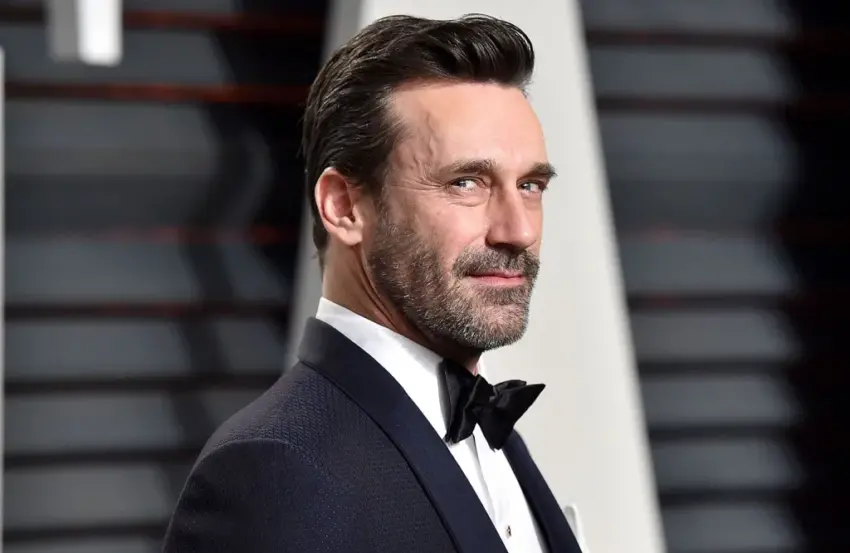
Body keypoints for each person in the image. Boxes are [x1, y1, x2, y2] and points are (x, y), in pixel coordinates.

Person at [163, 13, 582, 553]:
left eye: (529, 185)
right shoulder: (273, 471)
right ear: (343, 207)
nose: (519, 231)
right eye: (466, 182)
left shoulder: (496, 438)